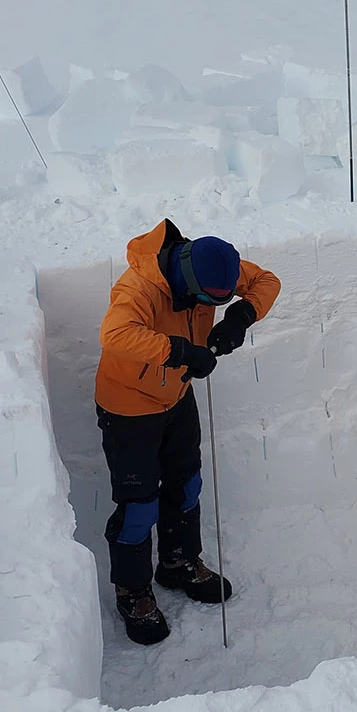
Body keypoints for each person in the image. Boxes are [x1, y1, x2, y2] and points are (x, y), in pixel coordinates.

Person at [94, 218, 281, 644]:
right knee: (139, 506)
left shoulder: (212, 263)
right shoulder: (138, 288)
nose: (209, 306)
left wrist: (239, 316)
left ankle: (177, 563)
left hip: (175, 397)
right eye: (206, 302)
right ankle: (133, 591)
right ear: (186, 283)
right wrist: (177, 351)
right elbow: (114, 334)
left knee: (186, 485)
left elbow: (267, 281)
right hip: (128, 407)